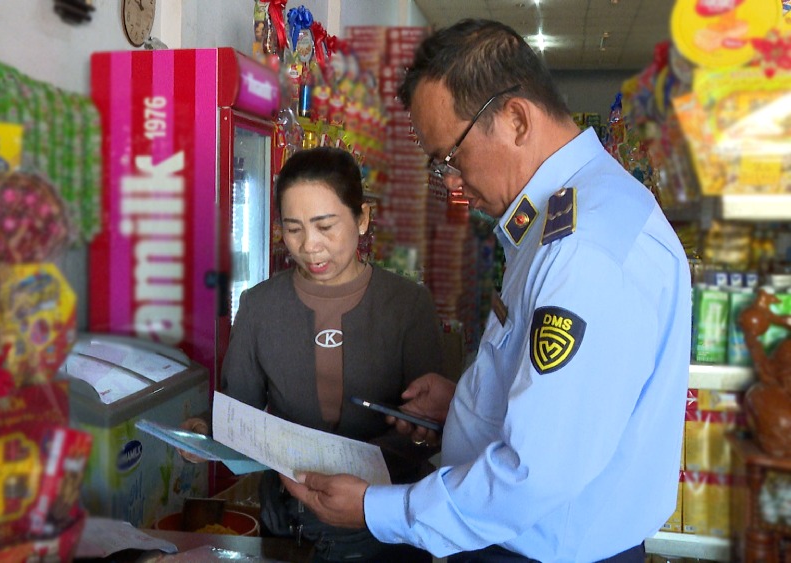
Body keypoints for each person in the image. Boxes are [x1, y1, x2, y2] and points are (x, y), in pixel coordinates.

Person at [281, 19, 692, 563]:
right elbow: (561, 408)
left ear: (516, 119)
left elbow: (533, 475)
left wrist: (376, 510)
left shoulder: (584, 249)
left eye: (450, 158)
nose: (451, 183)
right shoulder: (560, 218)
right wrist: (462, 408)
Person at [182, 146, 444, 562]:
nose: (309, 246)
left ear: (362, 218)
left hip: (384, 525)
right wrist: (206, 429)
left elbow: (433, 426)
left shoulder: (408, 305)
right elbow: (240, 413)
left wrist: (417, 435)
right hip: (290, 522)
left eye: (325, 226)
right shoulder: (259, 306)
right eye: (294, 229)